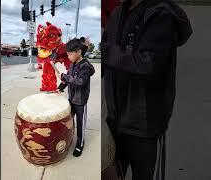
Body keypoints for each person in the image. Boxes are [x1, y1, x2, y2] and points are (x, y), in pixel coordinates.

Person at [102, 0, 192, 179]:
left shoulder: (161, 15)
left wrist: (110, 54)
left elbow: (150, 64)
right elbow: (106, 56)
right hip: (115, 117)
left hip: (143, 123)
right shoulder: (118, 13)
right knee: (111, 172)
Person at [58, 38, 95, 157]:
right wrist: (60, 87)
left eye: (70, 53)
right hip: (71, 99)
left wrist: (65, 77)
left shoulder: (86, 66)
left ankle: (80, 144)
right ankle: (70, 138)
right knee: (69, 121)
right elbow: (68, 78)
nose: (68, 56)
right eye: (67, 54)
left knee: (80, 124)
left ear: (78, 52)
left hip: (80, 102)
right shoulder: (72, 65)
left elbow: (80, 82)